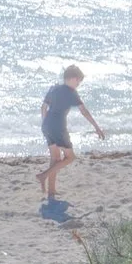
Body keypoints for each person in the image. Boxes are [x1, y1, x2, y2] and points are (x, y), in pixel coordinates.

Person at [38, 65, 104, 201]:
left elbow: (43, 107)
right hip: (58, 127)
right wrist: (97, 127)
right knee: (70, 157)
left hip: (47, 125)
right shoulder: (71, 92)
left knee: (55, 159)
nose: (78, 84)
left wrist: (45, 124)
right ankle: (43, 175)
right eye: (79, 81)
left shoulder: (54, 88)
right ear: (73, 79)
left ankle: (51, 191)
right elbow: (84, 111)